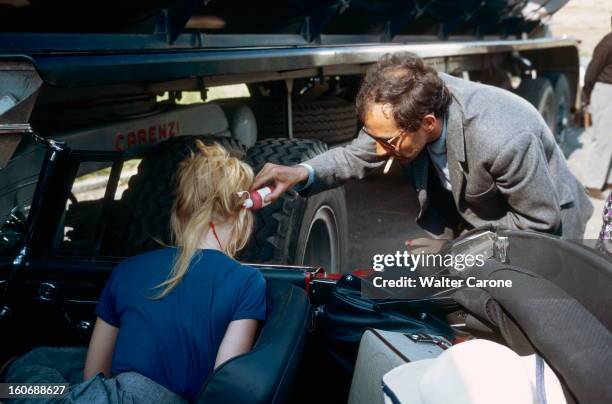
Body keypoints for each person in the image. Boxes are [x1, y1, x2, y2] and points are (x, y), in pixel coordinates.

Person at [2, 141, 267, 403]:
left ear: (178, 212)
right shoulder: (246, 282)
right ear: (242, 217)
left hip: (115, 396)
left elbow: (94, 374)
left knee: (27, 369)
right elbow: (224, 386)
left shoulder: (127, 270)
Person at [253, 52, 593, 240]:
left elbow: (537, 226)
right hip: (490, 220)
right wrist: (300, 172)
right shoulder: (407, 106)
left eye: (388, 141)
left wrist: (452, 252)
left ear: (427, 124)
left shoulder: (501, 138)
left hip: (551, 232)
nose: (381, 150)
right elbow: (358, 154)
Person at [582, 20, 612, 197]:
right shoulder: (608, 41)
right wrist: (587, 92)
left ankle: (608, 182)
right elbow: (592, 70)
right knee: (603, 137)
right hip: (606, 90)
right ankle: (592, 184)